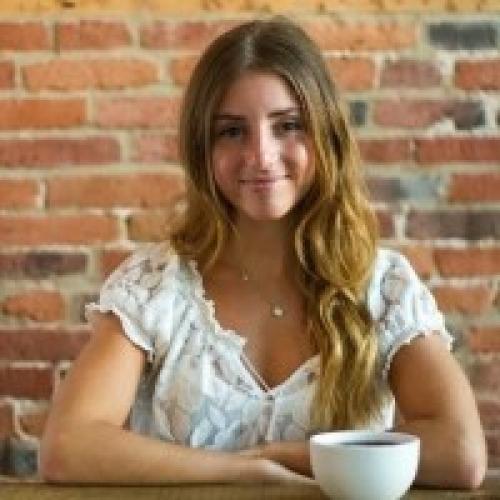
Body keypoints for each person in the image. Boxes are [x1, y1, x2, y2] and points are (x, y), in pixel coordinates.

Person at [39, 16, 487, 487]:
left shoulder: (382, 286)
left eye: (288, 126)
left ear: (326, 134)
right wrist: (243, 470)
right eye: (232, 131)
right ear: (202, 149)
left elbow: (460, 453)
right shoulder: (156, 286)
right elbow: (68, 446)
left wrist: (287, 457)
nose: (261, 156)